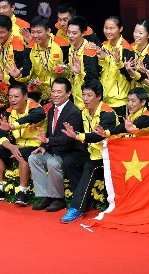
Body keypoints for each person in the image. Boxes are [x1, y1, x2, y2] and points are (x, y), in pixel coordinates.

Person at [60, 79, 118, 223]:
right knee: (70, 161)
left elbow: (98, 136)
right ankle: (87, 201)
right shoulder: (84, 112)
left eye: (89, 95)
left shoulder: (107, 113)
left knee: (90, 167)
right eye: (83, 95)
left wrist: (77, 136)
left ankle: (77, 207)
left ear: (98, 96)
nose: (85, 99)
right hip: (92, 154)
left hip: (108, 157)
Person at [28, 77, 89, 212]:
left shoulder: (74, 112)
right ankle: (46, 196)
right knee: (34, 158)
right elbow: (50, 134)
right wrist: (43, 146)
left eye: (59, 92)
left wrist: (48, 142)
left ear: (68, 94)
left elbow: (68, 139)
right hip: (54, 150)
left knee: (53, 162)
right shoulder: (51, 110)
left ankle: (58, 199)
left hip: (69, 152)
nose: (55, 95)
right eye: (53, 91)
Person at [0, 82, 46, 205]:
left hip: (36, 145)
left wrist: (11, 126)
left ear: (25, 96)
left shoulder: (36, 108)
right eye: (10, 97)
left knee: (22, 154)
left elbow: (30, 118)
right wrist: (11, 147)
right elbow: (1, 136)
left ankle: (23, 192)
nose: (13, 100)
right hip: (18, 145)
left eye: (16, 97)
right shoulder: (8, 112)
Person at [14, 15, 69, 103]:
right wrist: (18, 75)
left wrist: (59, 93)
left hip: (59, 93)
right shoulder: (30, 48)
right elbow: (27, 70)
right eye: (33, 32)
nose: (35, 35)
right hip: (38, 92)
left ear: (48, 31)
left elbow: (68, 72)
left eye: (39, 32)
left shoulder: (62, 45)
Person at [94, 15, 135, 119]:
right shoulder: (104, 46)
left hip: (120, 101)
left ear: (120, 29)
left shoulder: (127, 49)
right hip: (104, 99)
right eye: (106, 28)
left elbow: (130, 76)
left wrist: (119, 63)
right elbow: (100, 72)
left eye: (112, 28)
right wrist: (102, 60)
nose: (108, 31)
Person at [65, 15, 99, 108]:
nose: (70, 36)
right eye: (69, 32)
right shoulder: (71, 48)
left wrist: (80, 73)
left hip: (86, 102)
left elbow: (93, 79)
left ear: (83, 33)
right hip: (75, 99)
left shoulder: (89, 51)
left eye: (74, 33)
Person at [0, 15, 30, 84]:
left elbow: (24, 72)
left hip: (17, 84)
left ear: (10, 31)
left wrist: (17, 76)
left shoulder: (18, 46)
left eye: (2, 32)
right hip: (2, 82)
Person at [124, 19, 149, 85]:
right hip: (131, 87)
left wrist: (130, 70)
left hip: (147, 90)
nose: (136, 35)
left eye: (140, 33)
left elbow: (144, 76)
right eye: (135, 32)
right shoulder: (132, 46)